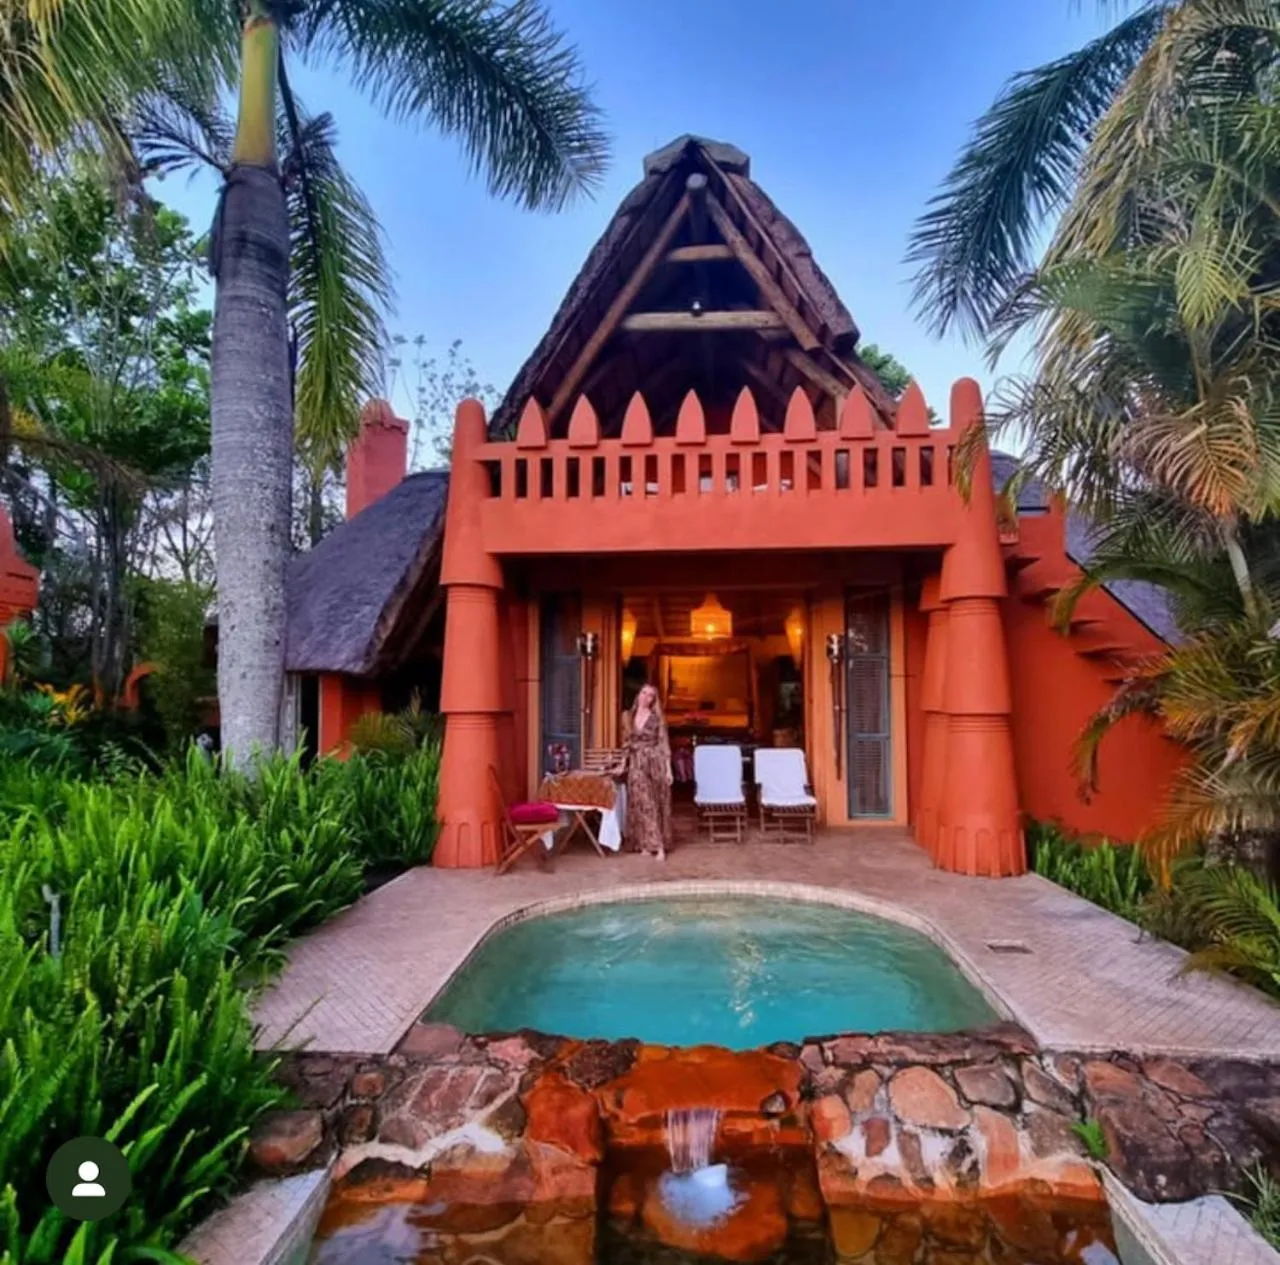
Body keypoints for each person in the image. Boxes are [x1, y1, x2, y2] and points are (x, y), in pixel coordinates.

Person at [619, 684, 673, 860]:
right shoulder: (628, 717)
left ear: (653, 700)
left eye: (650, 695)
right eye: (644, 693)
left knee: (651, 804)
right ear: (638, 694)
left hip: (653, 763)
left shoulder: (657, 718)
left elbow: (663, 744)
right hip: (635, 764)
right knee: (638, 804)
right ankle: (644, 845)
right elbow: (626, 743)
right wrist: (622, 764)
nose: (646, 697)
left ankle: (659, 847)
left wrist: (668, 770)